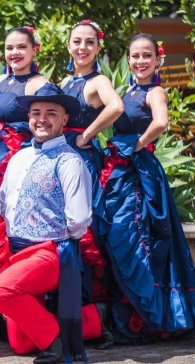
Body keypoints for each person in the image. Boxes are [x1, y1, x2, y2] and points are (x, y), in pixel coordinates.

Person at [97, 34, 195, 343]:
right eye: (135, 56)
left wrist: (135, 145)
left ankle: (149, 317)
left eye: (146, 56)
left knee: (137, 240)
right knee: (120, 240)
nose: (140, 61)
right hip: (120, 172)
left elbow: (160, 123)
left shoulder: (156, 91)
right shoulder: (125, 90)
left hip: (140, 174)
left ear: (157, 60)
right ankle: (134, 314)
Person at [0, 84, 94, 363]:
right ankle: (95, 318)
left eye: (51, 113)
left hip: (50, 252)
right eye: (36, 113)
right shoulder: (18, 157)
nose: (42, 119)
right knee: (21, 346)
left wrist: (55, 239)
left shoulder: (69, 161)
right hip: (17, 252)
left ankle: (56, 343)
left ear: (64, 119)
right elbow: (5, 201)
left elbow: (79, 219)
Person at [61, 20, 124, 339]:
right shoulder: (65, 79)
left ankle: (98, 317)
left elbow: (116, 106)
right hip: (61, 159)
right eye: (77, 42)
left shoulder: (98, 80)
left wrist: (87, 134)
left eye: (89, 42)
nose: (82, 47)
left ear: (98, 48)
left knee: (85, 232)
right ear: (68, 46)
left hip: (82, 160)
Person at [0, 26, 50, 285]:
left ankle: (10, 277)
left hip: (18, 157)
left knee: (12, 211)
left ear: (34, 50)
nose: (14, 53)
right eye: (9, 48)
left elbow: (48, 119)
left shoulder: (40, 84)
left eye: (21, 47)